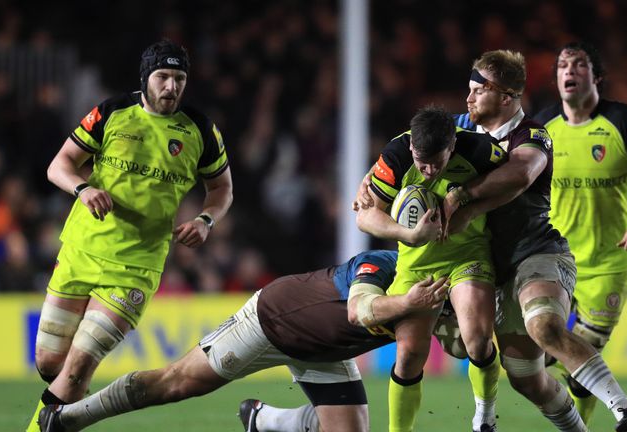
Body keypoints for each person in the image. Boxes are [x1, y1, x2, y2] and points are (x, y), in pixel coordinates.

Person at [442, 49, 627, 432]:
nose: (469, 97)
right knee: (526, 378)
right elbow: (411, 148)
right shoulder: (458, 131)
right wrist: (376, 184)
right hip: (481, 265)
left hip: (537, 252)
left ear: (506, 96)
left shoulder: (535, 134)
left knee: (543, 325)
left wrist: (463, 197)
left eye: (478, 89)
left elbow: (521, 174)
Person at [26, 39, 234, 431]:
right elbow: (60, 165)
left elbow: (222, 189)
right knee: (51, 364)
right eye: (163, 77)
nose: (171, 86)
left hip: (136, 268)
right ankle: (69, 413)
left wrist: (206, 220)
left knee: (76, 369)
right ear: (145, 78)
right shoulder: (112, 112)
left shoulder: (200, 130)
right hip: (82, 250)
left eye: (179, 78)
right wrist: (83, 189)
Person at [36, 250, 459, 432]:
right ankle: (70, 418)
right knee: (177, 383)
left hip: (324, 350)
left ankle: (262, 420)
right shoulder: (383, 265)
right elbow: (358, 311)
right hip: (274, 319)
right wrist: (408, 301)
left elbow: (459, 344)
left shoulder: (437, 296)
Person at [532, 41, 627, 424]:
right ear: (556, 79)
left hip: (609, 261)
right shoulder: (542, 128)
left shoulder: (624, 123)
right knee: (530, 349)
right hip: (555, 257)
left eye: (579, 64)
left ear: (595, 76)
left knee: (582, 365)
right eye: (563, 65)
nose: (570, 70)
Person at [355, 106, 506, 432]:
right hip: (417, 265)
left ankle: (485, 417)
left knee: (478, 342)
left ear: (452, 147)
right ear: (411, 147)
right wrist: (408, 234)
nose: (427, 170)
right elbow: (365, 216)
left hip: (468, 254)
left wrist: (470, 201)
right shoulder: (395, 155)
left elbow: (515, 181)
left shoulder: (480, 151)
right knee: (409, 355)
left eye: (436, 163)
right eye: (421, 161)